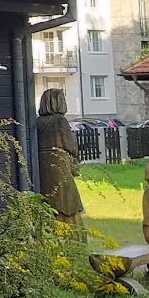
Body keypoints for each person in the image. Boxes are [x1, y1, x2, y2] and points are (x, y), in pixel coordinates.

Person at [35, 89, 84, 220]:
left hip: (42, 163)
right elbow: (69, 145)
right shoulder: (60, 121)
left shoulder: (38, 122)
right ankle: (69, 227)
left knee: (49, 197)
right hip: (59, 161)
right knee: (66, 198)